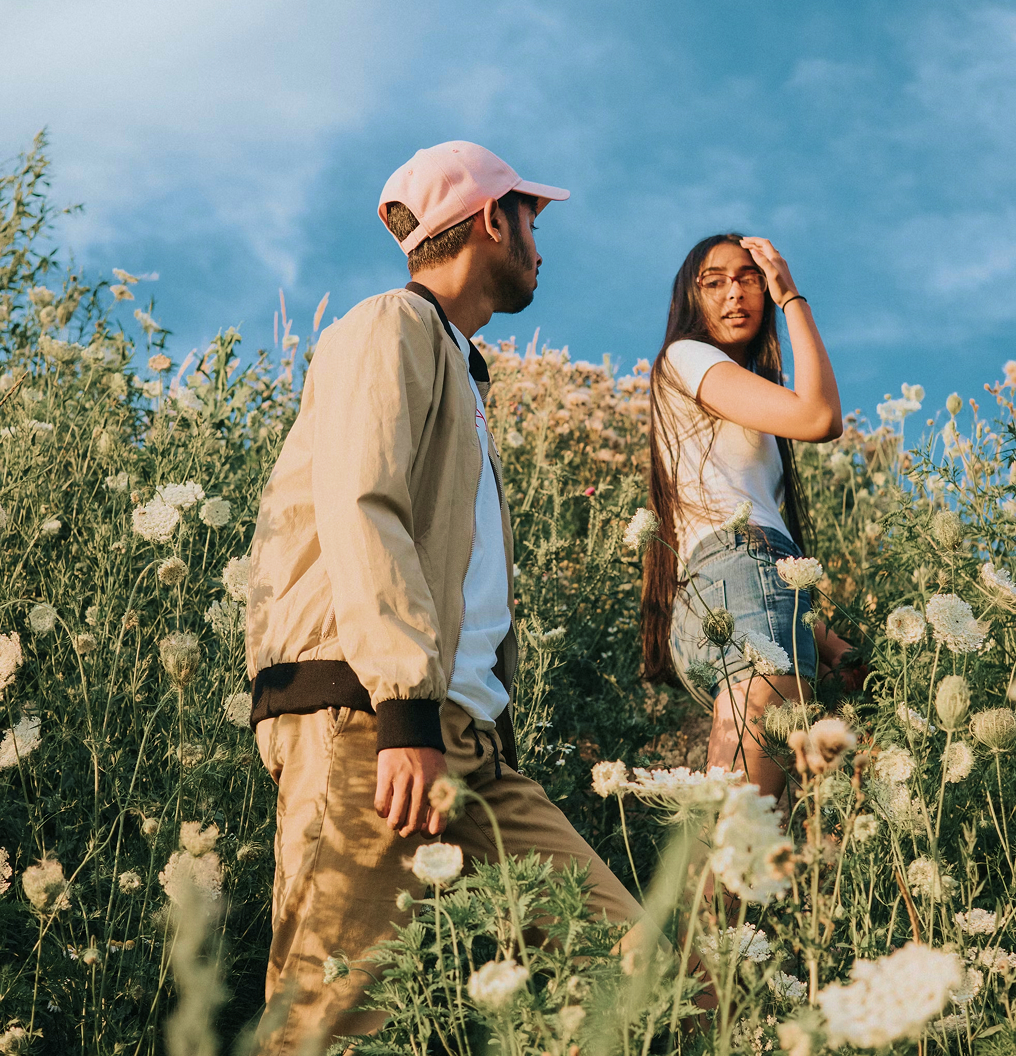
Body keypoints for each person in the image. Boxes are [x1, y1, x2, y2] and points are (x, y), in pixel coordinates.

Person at [245, 141, 642, 1056]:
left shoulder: (461, 371)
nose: (541, 243)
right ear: (493, 219)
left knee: (648, 977)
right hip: (372, 725)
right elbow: (363, 504)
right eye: (532, 219)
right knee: (330, 1021)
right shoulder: (387, 326)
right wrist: (405, 715)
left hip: (474, 749)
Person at [640, 233, 853, 801]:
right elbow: (821, 416)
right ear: (692, 298)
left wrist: (831, 646)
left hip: (746, 589)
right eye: (715, 282)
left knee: (758, 833)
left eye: (749, 278)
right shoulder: (687, 355)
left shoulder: (741, 395)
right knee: (749, 836)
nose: (735, 294)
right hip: (739, 582)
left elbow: (762, 556)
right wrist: (791, 296)